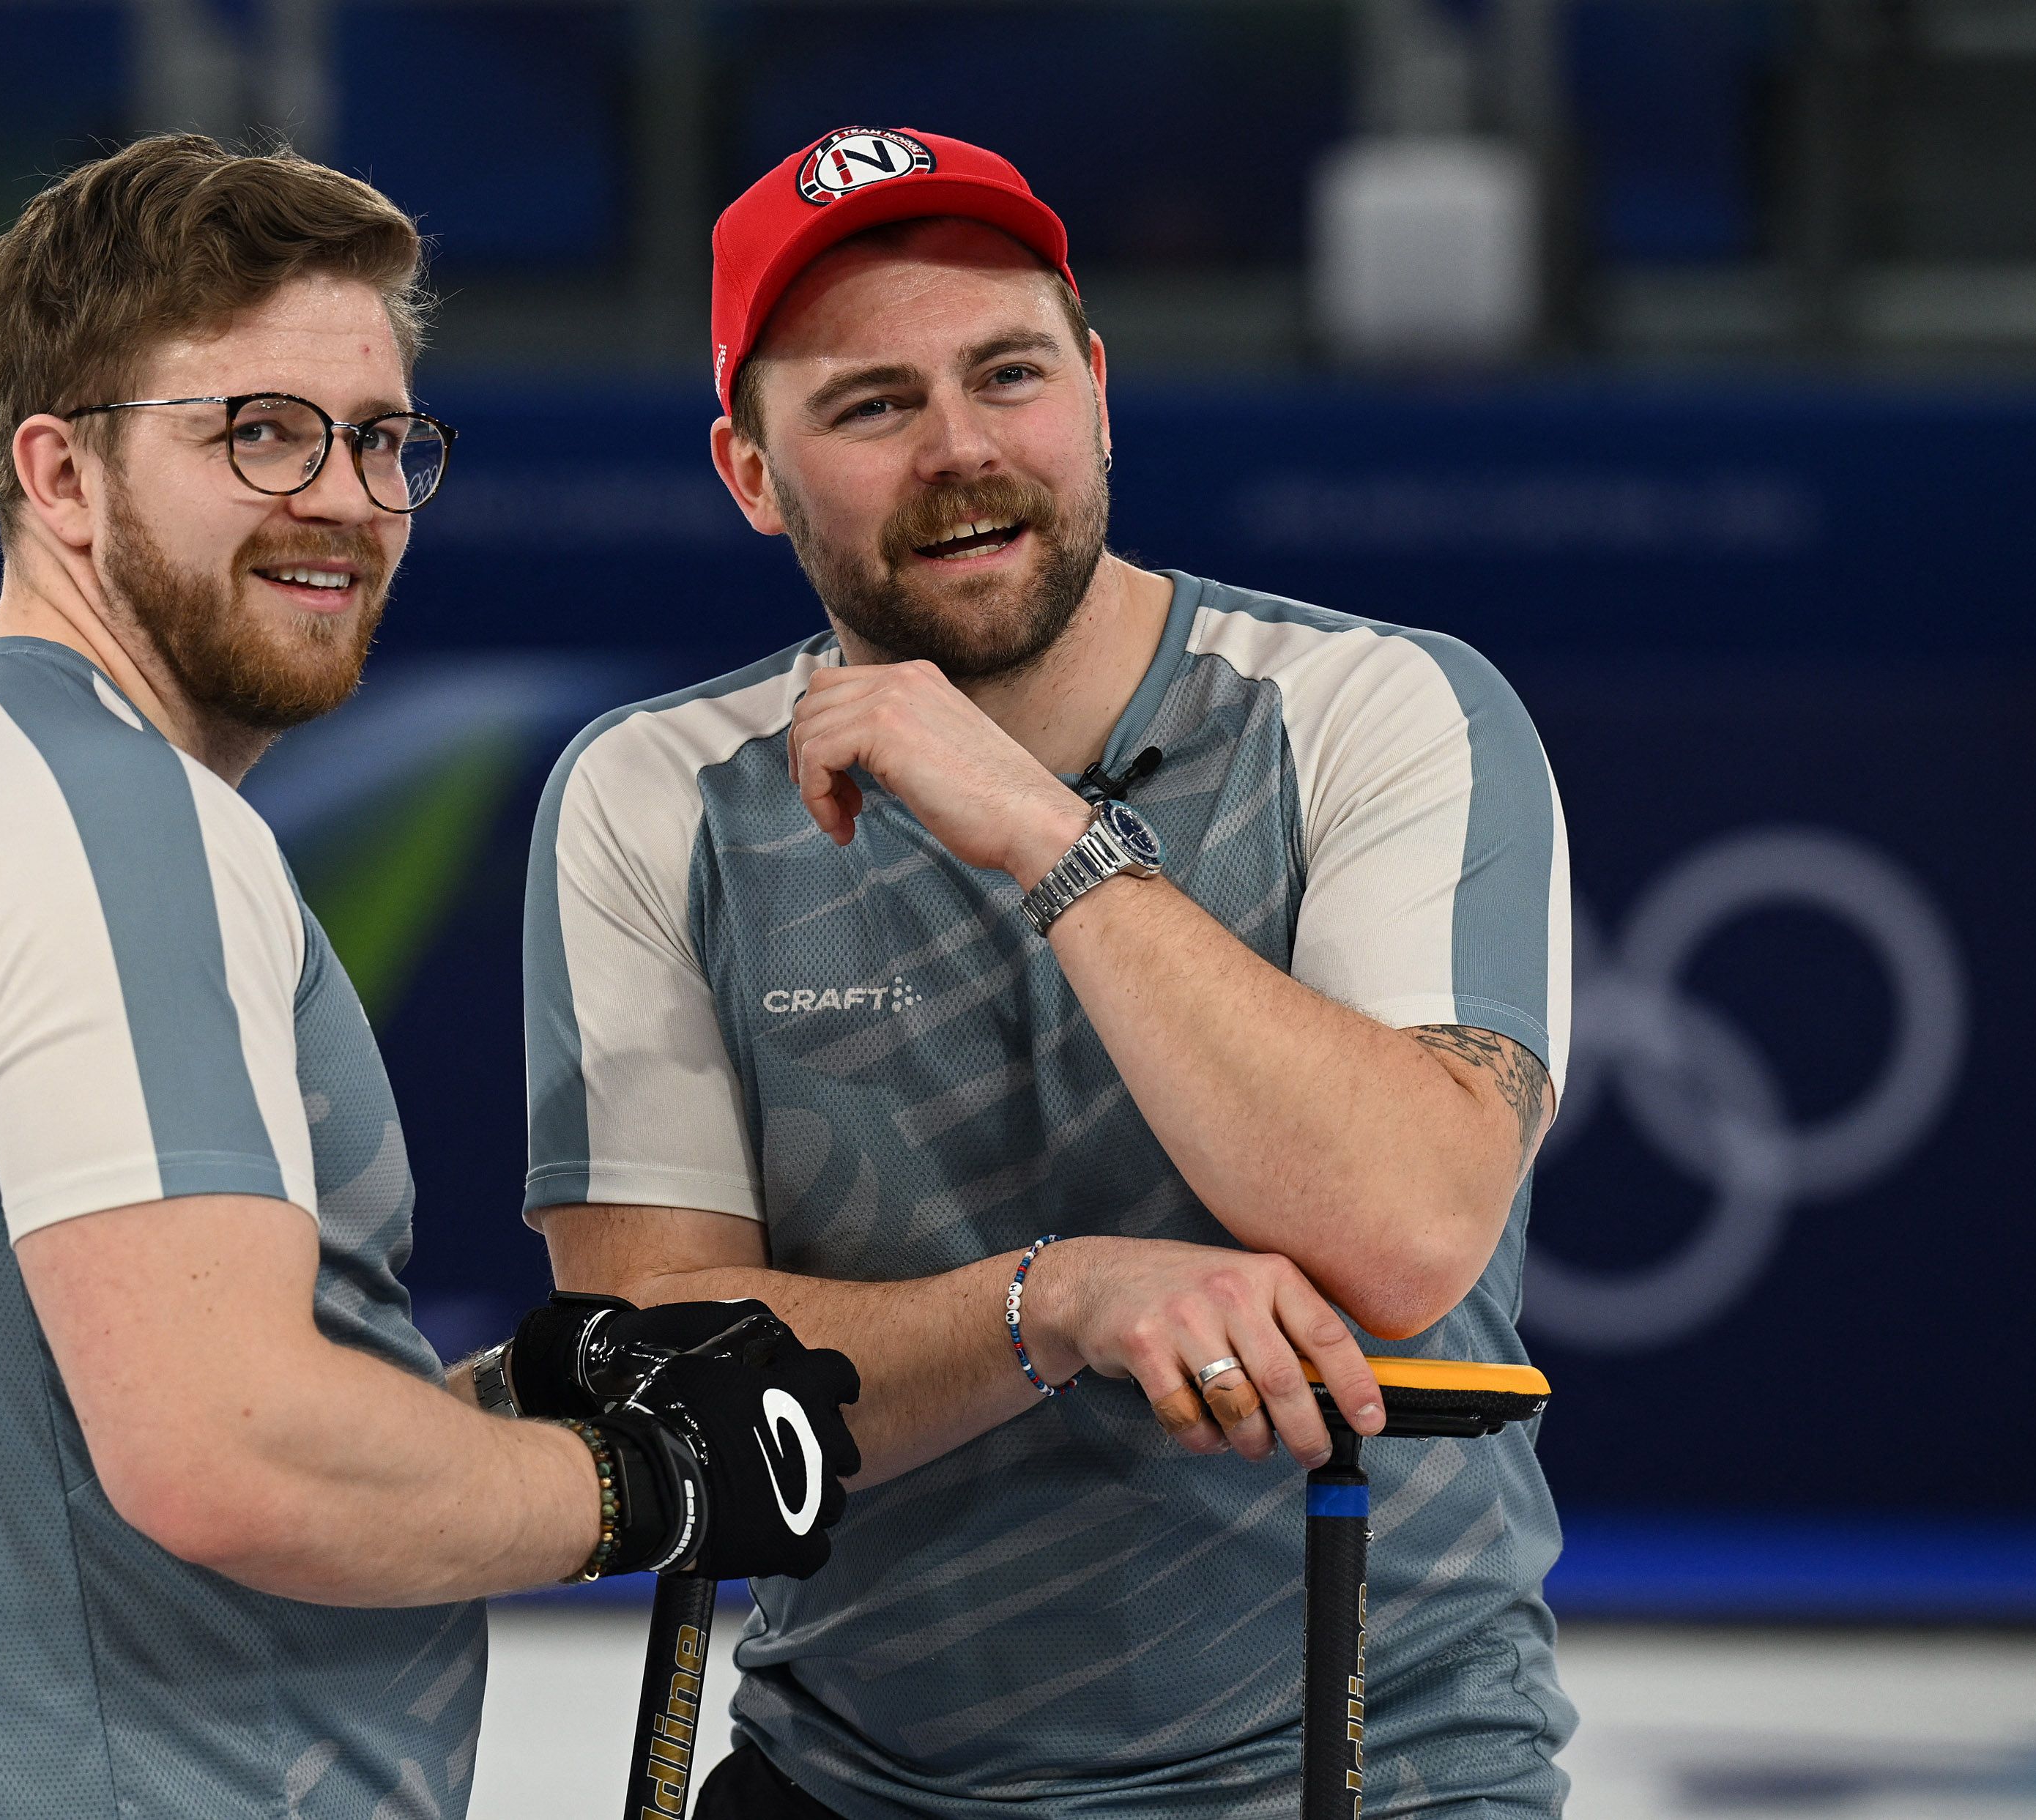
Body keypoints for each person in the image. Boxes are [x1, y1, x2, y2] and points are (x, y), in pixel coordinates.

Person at [0, 135, 859, 1820]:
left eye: (384, 439)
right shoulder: (109, 824)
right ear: (63, 474)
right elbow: (223, 1453)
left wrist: (498, 1406)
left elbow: (70, 1421)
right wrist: (640, 1484)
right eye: (258, 431)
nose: (343, 496)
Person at [520, 127, 1575, 1819]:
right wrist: (1058, 1302)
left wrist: (1046, 833)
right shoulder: (656, 790)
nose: (960, 450)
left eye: (1006, 373)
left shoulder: (1384, 709)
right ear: (746, 470)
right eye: (868, 405)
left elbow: (1404, 1228)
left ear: (1095, 388)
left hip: (1365, 1762)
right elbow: (664, 1360)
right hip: (851, 1774)